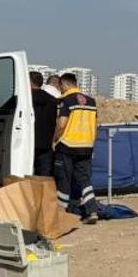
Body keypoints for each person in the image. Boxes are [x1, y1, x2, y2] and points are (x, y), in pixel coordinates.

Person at [53, 73, 100, 224]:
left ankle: (61, 213)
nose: (60, 89)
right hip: (86, 145)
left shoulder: (66, 100)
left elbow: (61, 124)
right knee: (84, 180)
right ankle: (92, 211)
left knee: (64, 180)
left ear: (64, 84)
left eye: (60, 86)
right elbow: (95, 126)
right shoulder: (91, 101)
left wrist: (54, 140)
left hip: (68, 145)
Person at [30, 71, 59, 177]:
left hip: (29, 141)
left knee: (26, 174)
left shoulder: (25, 99)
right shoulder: (52, 100)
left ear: (29, 82)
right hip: (47, 142)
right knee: (45, 175)